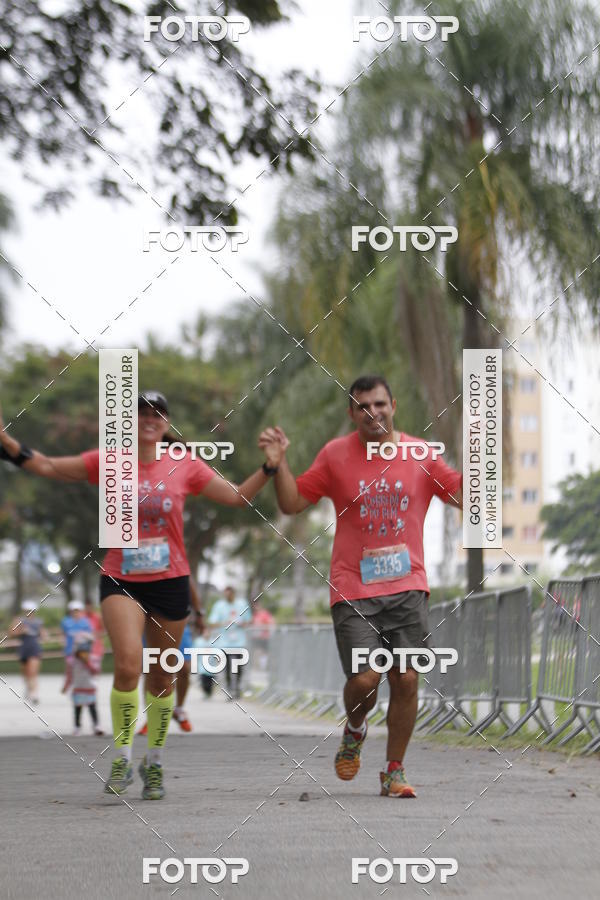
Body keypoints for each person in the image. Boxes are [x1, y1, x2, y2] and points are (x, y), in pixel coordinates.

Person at [0, 390, 273, 800]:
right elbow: (47, 465)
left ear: (167, 422)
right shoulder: (110, 461)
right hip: (121, 578)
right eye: (142, 412)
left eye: (158, 412)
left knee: (162, 675)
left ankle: (155, 762)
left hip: (170, 581)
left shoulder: (184, 463)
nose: (150, 418)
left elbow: (237, 497)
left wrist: (270, 467)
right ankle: (122, 758)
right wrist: (5, 440)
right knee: (128, 665)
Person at [259, 374, 463, 798]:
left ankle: (393, 772)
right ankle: (355, 726)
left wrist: (483, 456)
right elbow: (292, 502)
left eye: (380, 403)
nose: (374, 412)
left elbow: (464, 496)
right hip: (353, 588)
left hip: (408, 585)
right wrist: (278, 465)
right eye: (364, 406)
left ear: (393, 406)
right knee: (366, 679)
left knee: (406, 679)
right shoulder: (335, 455)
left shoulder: (420, 454)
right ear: (352, 413)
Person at [208, 586, 252, 699]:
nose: (227, 596)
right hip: (224, 642)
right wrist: (224, 623)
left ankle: (237, 688)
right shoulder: (219, 606)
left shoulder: (242, 604)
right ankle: (229, 690)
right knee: (227, 667)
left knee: (238, 666)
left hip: (239, 642)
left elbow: (249, 620)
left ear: (233, 594)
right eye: (225, 594)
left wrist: (240, 623)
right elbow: (212, 622)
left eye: (229, 594)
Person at [10, 600, 46, 704]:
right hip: (23, 648)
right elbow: (11, 633)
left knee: (33, 672)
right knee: (25, 672)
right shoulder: (19, 620)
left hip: (34, 648)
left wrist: (43, 635)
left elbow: (43, 634)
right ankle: (28, 687)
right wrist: (21, 631)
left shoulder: (38, 622)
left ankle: (34, 694)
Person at [71, 629, 104, 736]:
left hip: (89, 686)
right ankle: (77, 727)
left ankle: (96, 726)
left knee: (92, 707)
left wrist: (87, 663)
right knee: (78, 708)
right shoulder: (73, 660)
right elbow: (69, 673)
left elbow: (96, 671)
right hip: (78, 687)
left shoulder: (93, 658)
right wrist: (66, 686)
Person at [60, 600, 93, 693]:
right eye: (74, 611)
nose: (76, 613)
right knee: (70, 668)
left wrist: (83, 636)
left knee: (83, 669)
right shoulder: (66, 621)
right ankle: (68, 683)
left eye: (77, 611)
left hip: (82, 650)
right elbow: (63, 634)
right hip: (70, 650)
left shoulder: (85, 622)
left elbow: (90, 636)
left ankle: (82, 687)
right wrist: (63, 642)